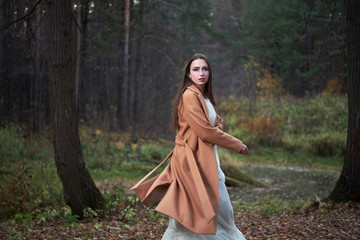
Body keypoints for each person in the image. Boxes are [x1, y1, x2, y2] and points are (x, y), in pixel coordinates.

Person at [130, 53, 248, 239]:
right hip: (192, 163)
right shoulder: (189, 96)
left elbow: (216, 123)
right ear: (188, 74)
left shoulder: (204, 96)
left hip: (205, 160)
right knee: (192, 217)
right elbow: (206, 132)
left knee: (218, 214)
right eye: (196, 69)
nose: (201, 73)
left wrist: (216, 127)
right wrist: (237, 145)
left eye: (205, 69)